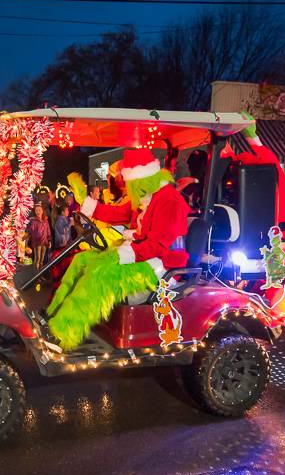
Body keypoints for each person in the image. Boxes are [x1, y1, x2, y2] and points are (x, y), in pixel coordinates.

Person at [47, 149, 190, 349]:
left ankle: (64, 332)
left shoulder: (170, 201)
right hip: (141, 256)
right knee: (81, 260)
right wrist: (86, 202)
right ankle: (55, 312)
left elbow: (157, 246)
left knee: (101, 271)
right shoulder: (145, 196)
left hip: (159, 266)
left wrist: (118, 255)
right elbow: (115, 213)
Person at [27, 203, 52, 270]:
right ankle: (35, 274)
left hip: (44, 242)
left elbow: (48, 231)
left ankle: (39, 273)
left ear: (42, 211)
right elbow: (31, 231)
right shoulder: (33, 221)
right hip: (37, 242)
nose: (38, 212)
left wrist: (49, 240)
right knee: (37, 259)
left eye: (39, 210)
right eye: (36, 210)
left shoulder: (45, 220)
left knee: (42, 259)